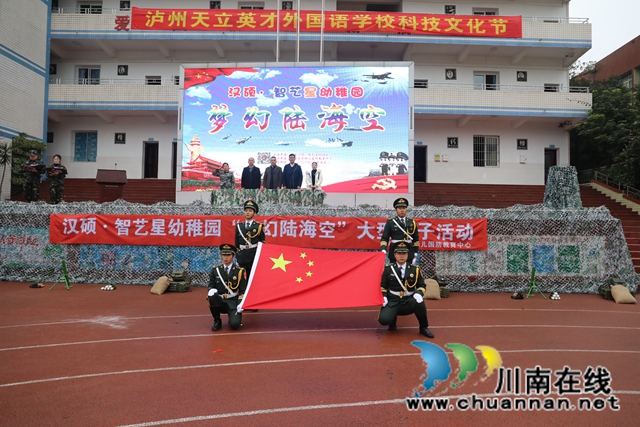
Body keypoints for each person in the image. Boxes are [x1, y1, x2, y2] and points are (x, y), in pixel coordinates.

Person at [378, 242, 434, 338]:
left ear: (408, 255)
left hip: (409, 300)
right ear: (395, 254)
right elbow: (383, 286)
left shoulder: (415, 269)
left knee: (420, 304)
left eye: (404, 253)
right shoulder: (388, 269)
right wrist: (384, 297)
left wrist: (418, 293)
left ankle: (423, 327)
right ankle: (392, 321)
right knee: (383, 320)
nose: (401, 256)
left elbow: (422, 285)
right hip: (393, 300)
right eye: (399, 253)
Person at [207, 244, 247, 331]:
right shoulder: (215, 270)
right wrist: (211, 290)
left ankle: (232, 317)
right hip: (220, 300)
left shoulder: (239, 271)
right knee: (211, 297)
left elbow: (243, 291)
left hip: (233, 301)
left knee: (235, 324)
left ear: (233, 256)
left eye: (228, 255)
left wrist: (240, 304)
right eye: (224, 255)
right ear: (221, 256)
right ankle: (217, 321)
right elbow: (211, 286)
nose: (226, 257)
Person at [380, 197, 420, 264]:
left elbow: (415, 239)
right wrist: (383, 249)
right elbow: (385, 238)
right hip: (395, 250)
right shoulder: (391, 222)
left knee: (408, 272)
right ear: (396, 210)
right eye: (400, 208)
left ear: (406, 209)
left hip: (408, 251)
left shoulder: (412, 222)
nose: (402, 210)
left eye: (404, 208)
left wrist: (415, 253)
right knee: (394, 272)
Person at [235, 200, 266, 278]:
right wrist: (237, 254)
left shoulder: (259, 226)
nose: (247, 213)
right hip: (242, 254)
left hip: (253, 254)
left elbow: (263, 241)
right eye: (246, 211)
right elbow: (237, 242)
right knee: (240, 276)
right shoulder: (239, 226)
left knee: (251, 276)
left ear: (254, 213)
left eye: (250, 211)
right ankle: (242, 290)